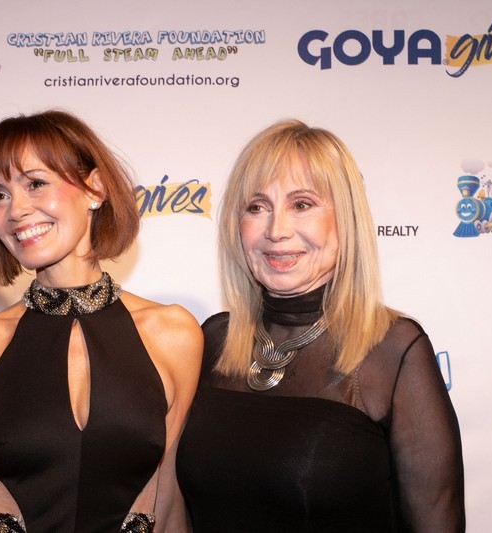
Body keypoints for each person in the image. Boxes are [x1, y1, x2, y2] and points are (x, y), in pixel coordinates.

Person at [0, 110, 202, 533]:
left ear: (95, 189)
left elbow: (168, 508)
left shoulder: (174, 334)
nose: (15, 210)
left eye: (35, 183)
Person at [176, 119, 465, 532]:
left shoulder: (392, 351)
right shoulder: (213, 339)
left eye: (302, 204)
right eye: (257, 207)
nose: (276, 230)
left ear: (345, 219)